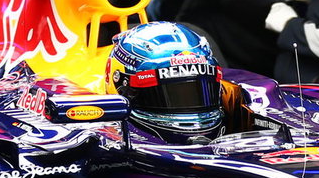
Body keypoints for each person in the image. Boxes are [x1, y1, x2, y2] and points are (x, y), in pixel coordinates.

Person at [108, 21, 255, 140]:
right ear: (122, 84)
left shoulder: (230, 95)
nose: (193, 116)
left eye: (198, 93)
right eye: (173, 95)